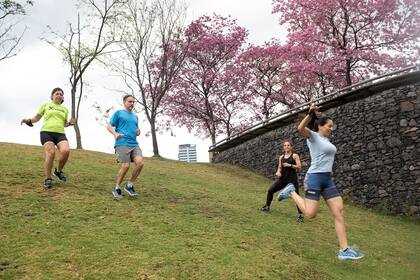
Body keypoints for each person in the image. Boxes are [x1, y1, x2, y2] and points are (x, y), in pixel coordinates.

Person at [277, 105, 364, 260]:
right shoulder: (313, 137)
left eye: (332, 126)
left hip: (327, 179)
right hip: (315, 178)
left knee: (339, 212)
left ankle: (344, 250)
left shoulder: (327, 141)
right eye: (329, 126)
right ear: (320, 126)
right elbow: (300, 128)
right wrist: (310, 114)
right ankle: (290, 191)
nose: (332, 128)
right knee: (310, 214)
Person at [21, 87, 76, 190]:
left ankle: (58, 171)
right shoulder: (46, 105)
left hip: (60, 134)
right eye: (57, 93)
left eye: (61, 94)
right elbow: (36, 118)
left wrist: (70, 123)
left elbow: (64, 124)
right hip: (47, 132)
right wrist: (28, 120)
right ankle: (48, 178)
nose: (59, 95)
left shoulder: (65, 109)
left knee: (66, 151)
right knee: (51, 153)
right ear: (52, 96)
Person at [107, 94, 144, 200]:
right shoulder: (119, 113)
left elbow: (136, 130)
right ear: (124, 102)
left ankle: (129, 185)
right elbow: (109, 126)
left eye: (133, 102)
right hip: (122, 143)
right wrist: (115, 133)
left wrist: (138, 132)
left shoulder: (135, 117)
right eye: (130, 101)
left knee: (140, 163)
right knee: (125, 166)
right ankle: (117, 188)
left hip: (134, 144)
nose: (132, 104)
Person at [259, 140, 304, 222]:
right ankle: (267, 206)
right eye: (285, 145)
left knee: (297, 197)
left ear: (291, 146)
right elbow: (279, 167)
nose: (286, 147)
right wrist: (278, 172)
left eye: (288, 145)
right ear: (283, 147)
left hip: (292, 180)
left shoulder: (294, 156)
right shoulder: (281, 157)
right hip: (282, 179)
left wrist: (290, 165)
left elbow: (299, 166)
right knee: (270, 190)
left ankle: (300, 215)